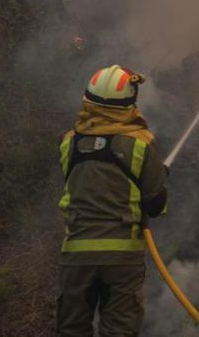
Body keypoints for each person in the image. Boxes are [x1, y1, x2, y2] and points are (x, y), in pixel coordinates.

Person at [57, 65, 168, 337]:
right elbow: (156, 205)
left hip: (77, 254)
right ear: (130, 103)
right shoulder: (141, 144)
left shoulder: (69, 143)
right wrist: (158, 176)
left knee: (71, 330)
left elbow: (81, 185)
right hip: (122, 257)